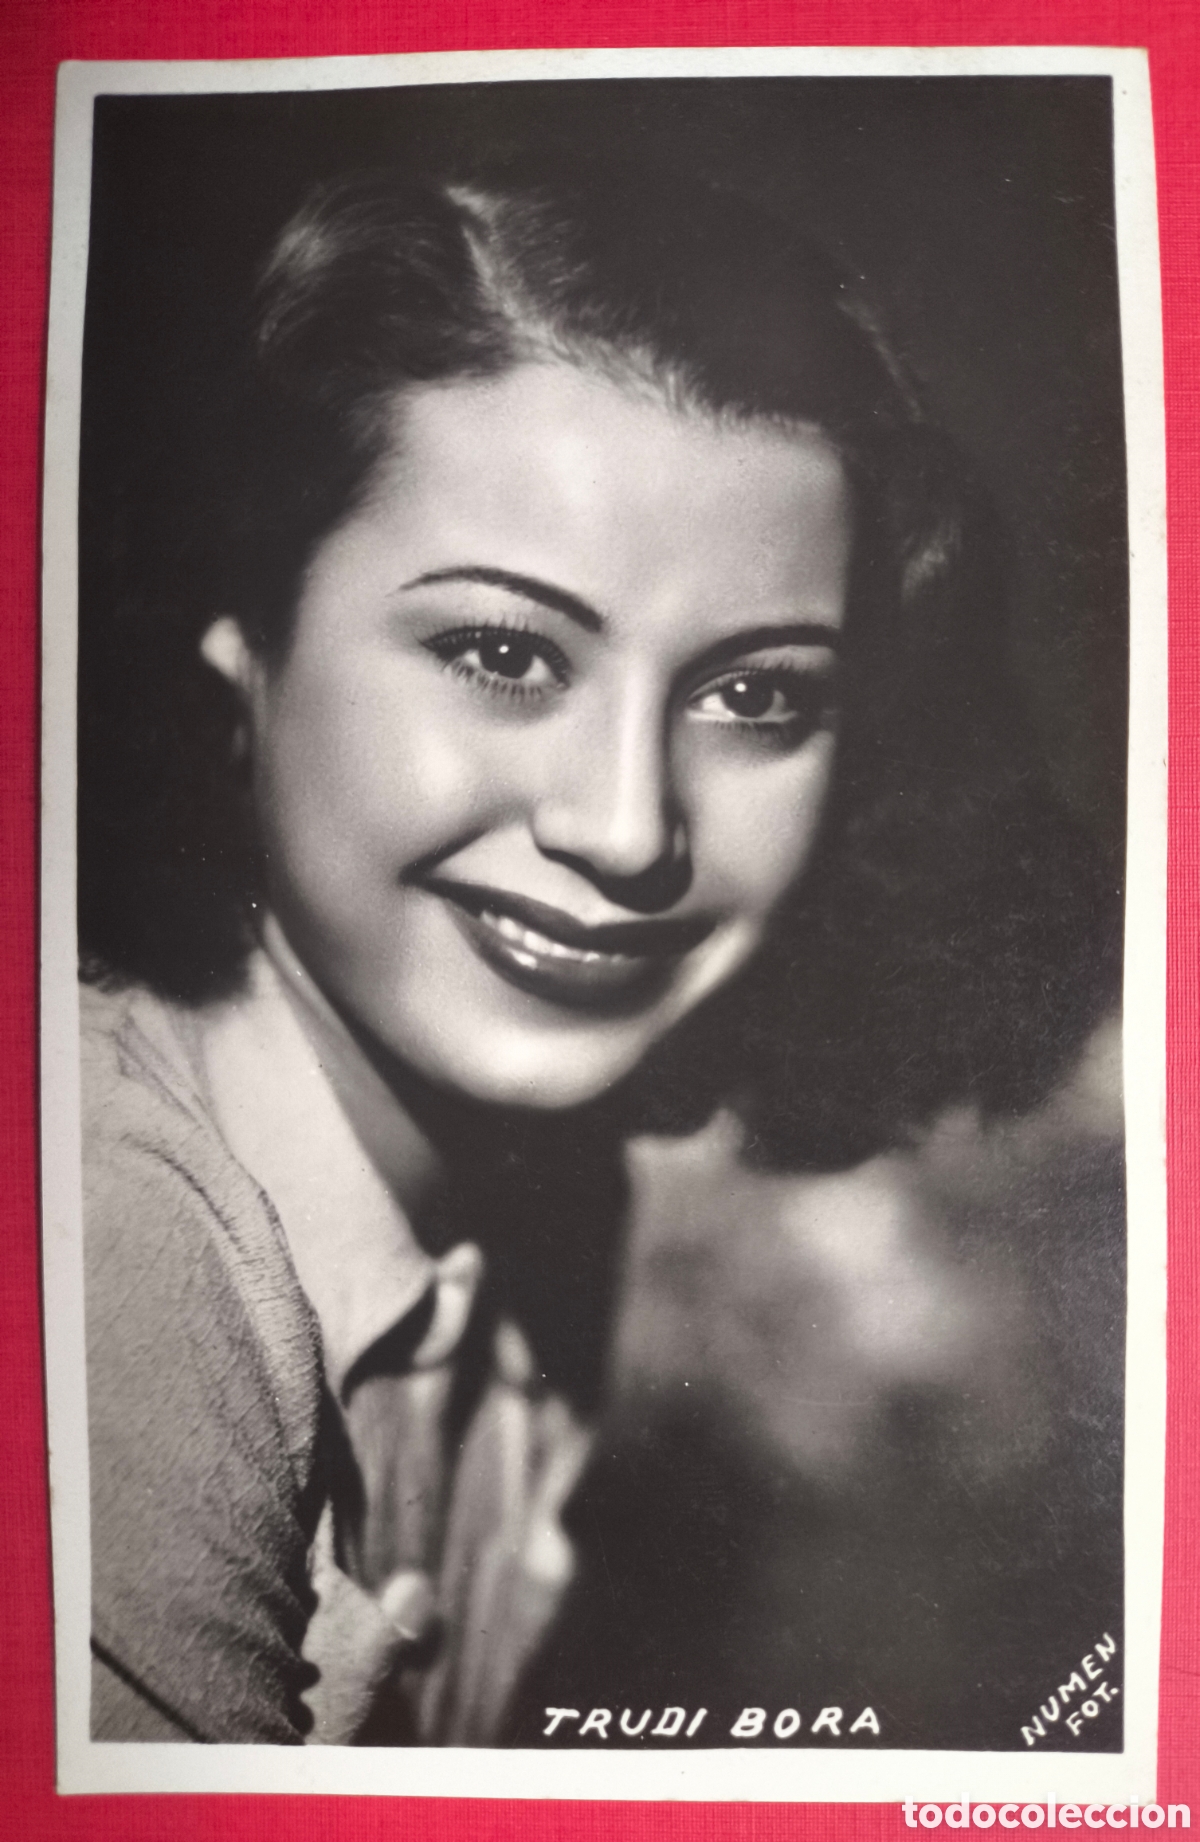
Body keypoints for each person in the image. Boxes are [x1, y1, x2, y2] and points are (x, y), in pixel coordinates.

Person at [79, 158, 1111, 1746]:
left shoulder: (543, 1220)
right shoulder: (112, 1237)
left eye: (757, 695)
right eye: (502, 653)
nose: (629, 828)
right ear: (240, 637)